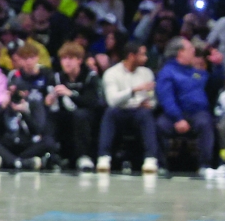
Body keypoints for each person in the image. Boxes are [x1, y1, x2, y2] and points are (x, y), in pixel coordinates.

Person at [156, 37, 216, 177]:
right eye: (190, 48)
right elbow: (167, 98)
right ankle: (161, 165)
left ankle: (205, 165)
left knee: (205, 122)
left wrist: (217, 66)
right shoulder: (167, 72)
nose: (193, 50)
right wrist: (178, 118)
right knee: (160, 125)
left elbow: (213, 81)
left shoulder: (194, 71)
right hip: (175, 114)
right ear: (180, 52)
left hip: (196, 113)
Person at [98, 42, 160, 174]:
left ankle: (150, 158)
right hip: (120, 112)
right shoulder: (111, 73)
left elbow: (151, 99)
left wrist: (150, 104)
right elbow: (112, 101)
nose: (146, 58)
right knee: (110, 113)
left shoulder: (147, 73)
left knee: (146, 114)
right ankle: (104, 157)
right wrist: (134, 90)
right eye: (142, 54)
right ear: (131, 56)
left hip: (138, 112)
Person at [52, 42, 104, 171]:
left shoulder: (89, 76)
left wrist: (70, 93)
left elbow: (91, 102)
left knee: (80, 115)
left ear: (79, 60)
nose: (67, 62)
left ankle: (84, 156)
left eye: (71, 58)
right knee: (53, 116)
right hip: (66, 112)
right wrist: (49, 99)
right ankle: (54, 155)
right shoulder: (58, 77)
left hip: (89, 114)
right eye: (64, 58)